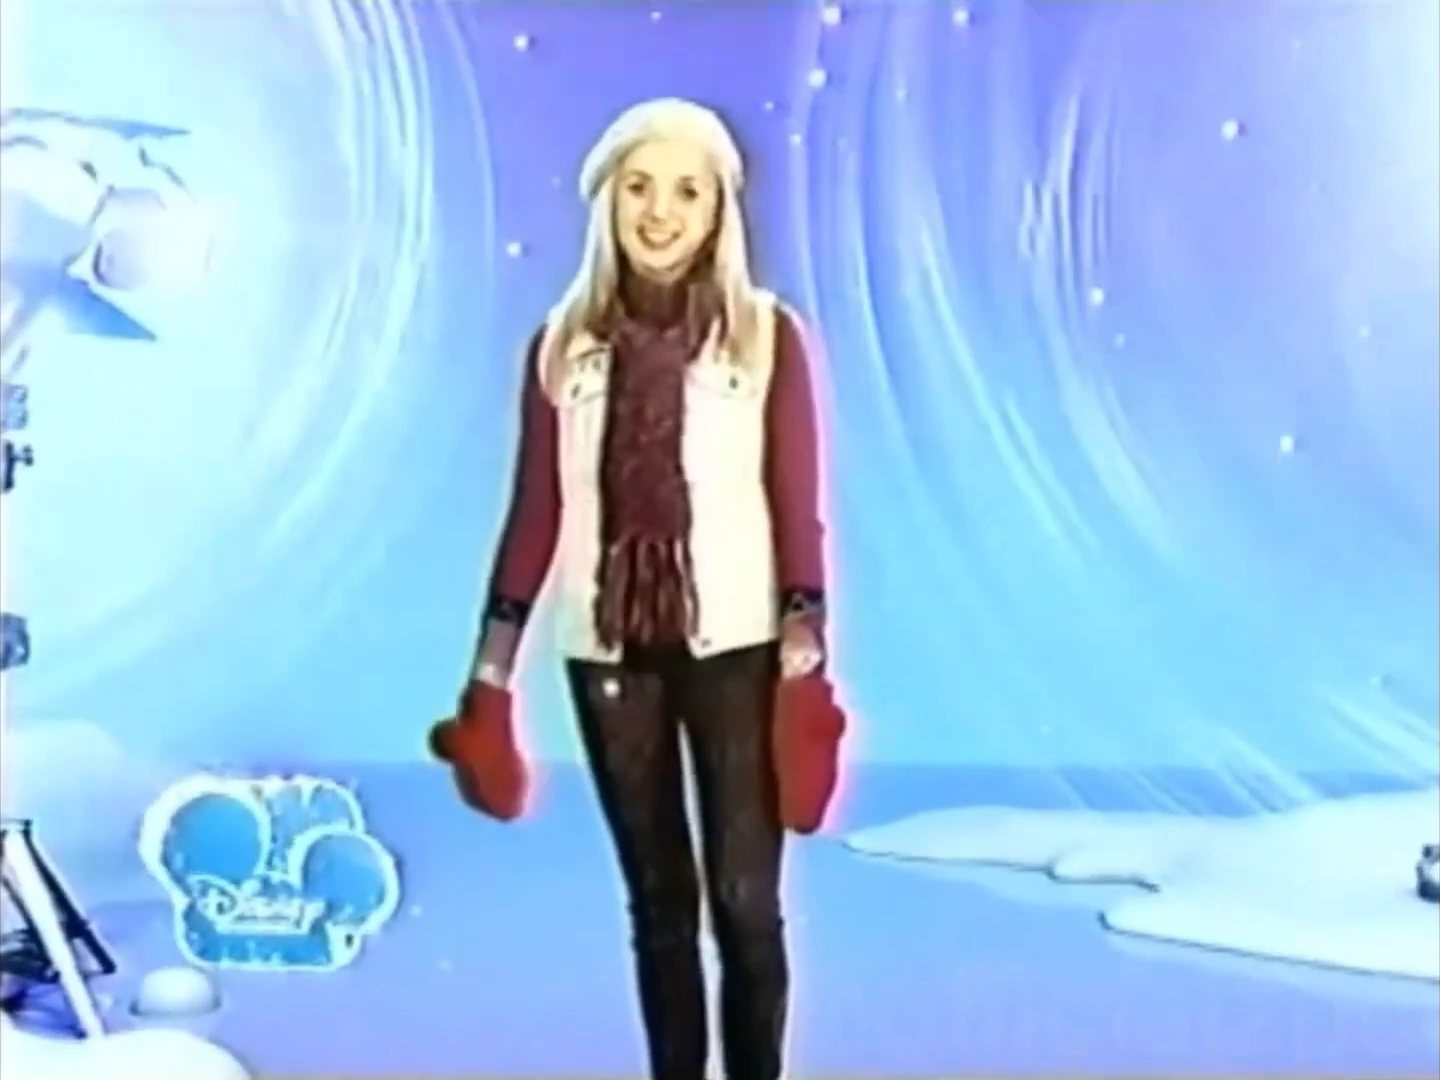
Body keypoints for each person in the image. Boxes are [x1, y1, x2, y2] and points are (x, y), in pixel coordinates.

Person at [430, 97, 848, 1080]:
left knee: (745, 903)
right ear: (608, 201)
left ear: (718, 211)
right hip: (607, 651)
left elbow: (795, 501)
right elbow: (535, 512)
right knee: (660, 904)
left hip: (738, 646)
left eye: (687, 192)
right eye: (640, 188)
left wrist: (806, 645)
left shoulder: (765, 336)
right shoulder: (560, 345)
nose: (661, 212)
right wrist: (490, 675)